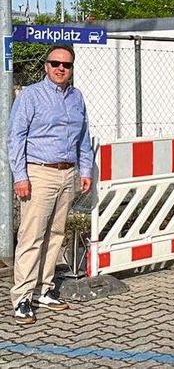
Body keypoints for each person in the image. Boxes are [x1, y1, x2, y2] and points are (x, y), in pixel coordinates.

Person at [7, 45, 93, 325]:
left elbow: (83, 137)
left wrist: (85, 169)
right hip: (39, 173)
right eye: (55, 63)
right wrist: (20, 176)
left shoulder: (77, 97)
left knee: (56, 234)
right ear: (46, 66)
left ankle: (44, 289)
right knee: (32, 236)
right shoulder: (31, 96)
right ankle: (22, 298)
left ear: (71, 69)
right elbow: (16, 138)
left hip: (67, 174)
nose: (60, 69)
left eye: (66, 65)